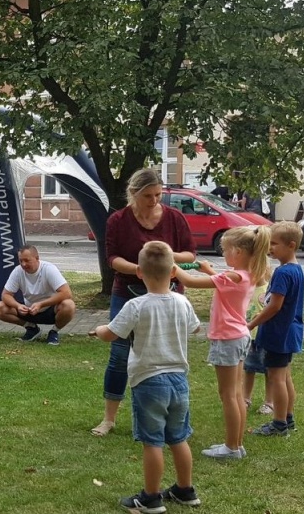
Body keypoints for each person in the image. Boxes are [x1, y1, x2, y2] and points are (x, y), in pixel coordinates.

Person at [94, 241, 201, 512]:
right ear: (174, 270)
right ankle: (185, 490)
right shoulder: (182, 301)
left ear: (139, 272)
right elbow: (196, 329)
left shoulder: (135, 305)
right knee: (178, 437)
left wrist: (99, 329)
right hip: (179, 380)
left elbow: (111, 334)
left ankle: (151, 498)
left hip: (148, 381)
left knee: (152, 441)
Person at [91, 168, 195, 438]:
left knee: (171, 353)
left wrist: (163, 256)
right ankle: (109, 418)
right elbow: (111, 257)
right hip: (127, 290)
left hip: (168, 290)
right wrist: (140, 267)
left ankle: (177, 416)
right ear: (134, 194)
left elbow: (189, 253)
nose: (154, 200)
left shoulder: (174, 218)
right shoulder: (118, 220)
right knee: (119, 355)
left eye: (159, 195)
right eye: (148, 195)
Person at [173, 226, 270, 459]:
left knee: (228, 395)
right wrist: (207, 269)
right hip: (239, 336)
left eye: (225, 250)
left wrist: (173, 266)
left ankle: (231, 448)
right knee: (236, 394)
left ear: (237, 251)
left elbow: (191, 282)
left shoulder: (232, 276)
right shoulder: (249, 273)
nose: (223, 254)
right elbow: (221, 278)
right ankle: (236, 444)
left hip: (227, 338)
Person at [246, 221, 304, 437]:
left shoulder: (282, 273)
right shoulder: (296, 270)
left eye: (274, 244)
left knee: (277, 378)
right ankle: (287, 417)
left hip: (278, 333)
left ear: (291, 245)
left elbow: (275, 305)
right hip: (290, 332)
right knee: (285, 377)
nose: (270, 247)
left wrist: (252, 323)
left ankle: (279, 424)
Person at [0, 245, 75, 346]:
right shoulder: (18, 271)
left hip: (50, 310)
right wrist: (18, 306)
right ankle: (31, 328)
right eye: (21, 261)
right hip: (28, 310)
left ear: (37, 258)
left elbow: (66, 293)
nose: (23, 264)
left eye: (27, 260)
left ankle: (54, 332)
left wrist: (41, 304)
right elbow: (6, 295)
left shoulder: (49, 269)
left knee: (69, 305)